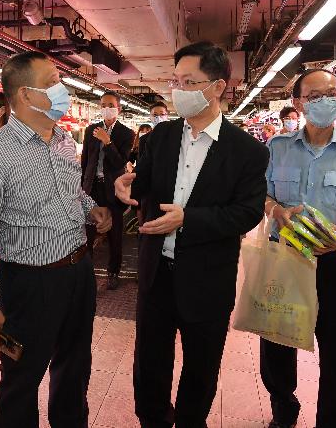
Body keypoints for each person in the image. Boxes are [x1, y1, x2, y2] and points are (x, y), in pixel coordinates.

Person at [114, 41, 269, 427]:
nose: (178, 90)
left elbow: (247, 212)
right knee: (149, 361)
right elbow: (143, 184)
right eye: (175, 81)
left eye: (189, 82)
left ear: (217, 87)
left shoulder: (247, 151)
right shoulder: (159, 138)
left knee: (201, 364)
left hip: (207, 276)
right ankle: (152, 419)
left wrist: (189, 219)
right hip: (156, 272)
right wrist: (126, 187)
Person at [0, 51, 112, 428]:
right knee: (21, 380)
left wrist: (90, 207)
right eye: (52, 83)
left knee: (75, 369)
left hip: (78, 273)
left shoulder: (63, 141)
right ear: (25, 95)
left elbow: (70, 195)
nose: (62, 90)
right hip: (29, 282)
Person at [263, 68, 336, 428]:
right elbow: (261, 194)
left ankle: (333, 420)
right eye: (314, 96)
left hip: (332, 263)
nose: (325, 101)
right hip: (284, 259)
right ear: (298, 103)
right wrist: (276, 210)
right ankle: (284, 408)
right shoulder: (277, 148)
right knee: (277, 345)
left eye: (332, 93)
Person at [81, 91, 135, 289]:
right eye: (103, 104)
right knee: (87, 232)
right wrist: (82, 187)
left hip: (114, 190)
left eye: (110, 104)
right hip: (92, 188)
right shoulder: (90, 130)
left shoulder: (127, 133)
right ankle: (86, 272)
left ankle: (113, 272)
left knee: (114, 234)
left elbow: (121, 162)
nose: (106, 108)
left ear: (118, 108)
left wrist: (108, 142)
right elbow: (86, 160)